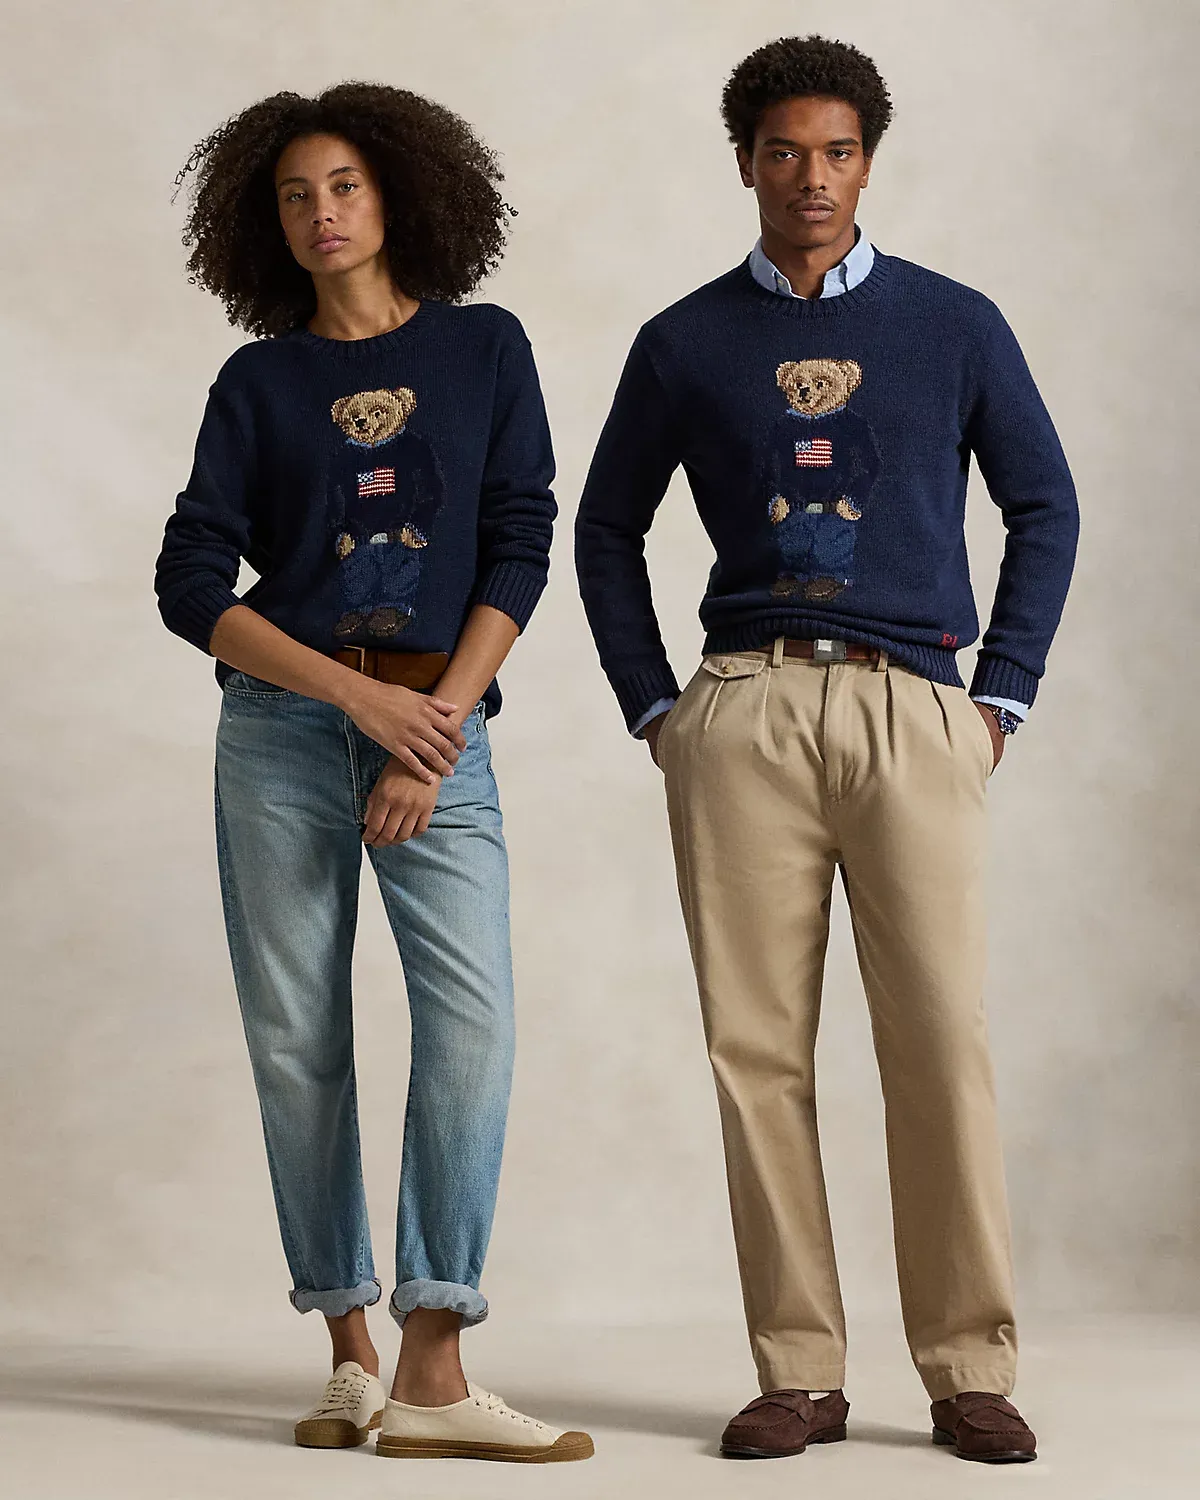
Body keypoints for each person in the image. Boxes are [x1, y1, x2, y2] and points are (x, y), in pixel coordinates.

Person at [576, 34, 1077, 1466]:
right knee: (756, 1052)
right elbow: (605, 528)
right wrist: (657, 709)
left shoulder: (955, 325)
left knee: (940, 1040)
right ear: (745, 161)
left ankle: (968, 1367)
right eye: (785, 151)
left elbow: (1045, 505)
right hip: (746, 710)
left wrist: (1001, 697)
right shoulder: (684, 342)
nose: (812, 176)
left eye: (838, 152)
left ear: (869, 163)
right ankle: (799, 1368)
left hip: (917, 706)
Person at [157, 81, 592, 1465]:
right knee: (299, 1039)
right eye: (295, 195)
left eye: (342, 184)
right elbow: (188, 583)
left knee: (471, 1023)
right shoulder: (257, 385)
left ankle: (435, 1355)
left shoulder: (483, 348)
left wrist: (433, 725)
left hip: (438, 725)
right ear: (267, 223)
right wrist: (356, 699)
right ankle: (348, 1350)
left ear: (397, 192)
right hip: (282, 735)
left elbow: (520, 537)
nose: (321, 213)